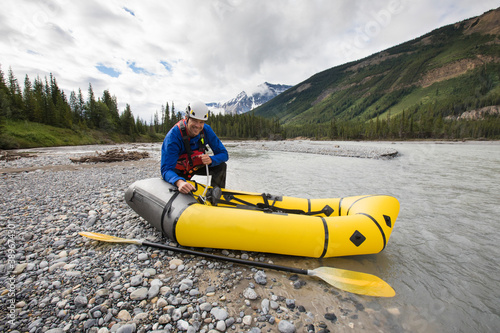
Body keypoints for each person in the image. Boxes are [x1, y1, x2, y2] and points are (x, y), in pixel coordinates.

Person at [161, 101, 228, 194]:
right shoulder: (173, 136)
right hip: (178, 172)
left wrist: (211, 160)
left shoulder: (206, 130)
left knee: (221, 166)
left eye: (201, 122)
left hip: (195, 166)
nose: (198, 125)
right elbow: (166, 169)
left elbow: (224, 154)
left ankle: (216, 194)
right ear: (186, 118)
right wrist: (179, 182)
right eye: (194, 120)